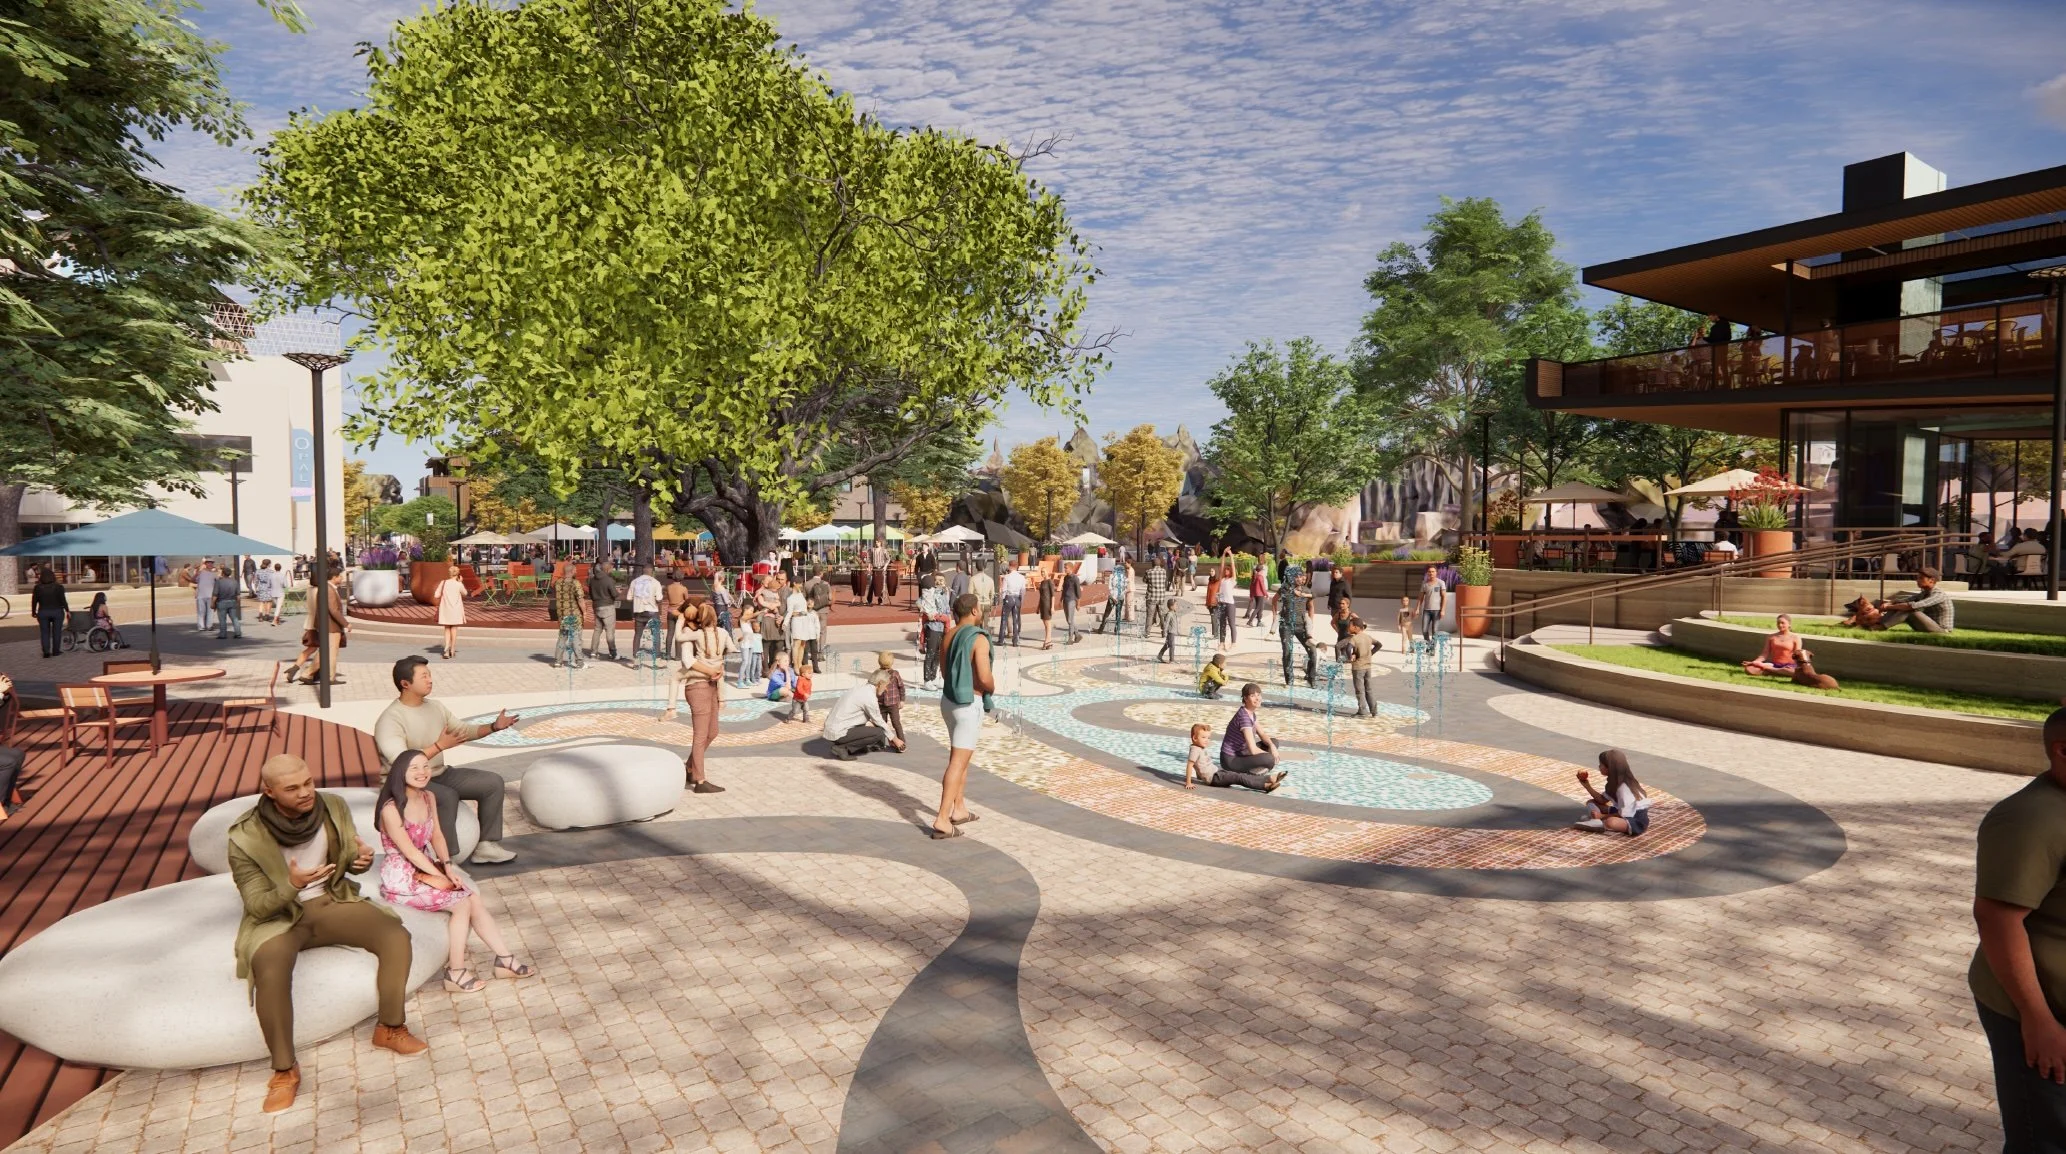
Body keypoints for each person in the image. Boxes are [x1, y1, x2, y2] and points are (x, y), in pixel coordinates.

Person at [231, 753, 424, 1113]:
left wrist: (358, 859)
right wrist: (290, 885)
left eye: (307, 782)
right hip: (281, 917)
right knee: (270, 969)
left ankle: (390, 1028)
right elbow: (257, 905)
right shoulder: (245, 836)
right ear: (269, 792)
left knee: (396, 936)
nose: (306, 792)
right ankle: (285, 1070)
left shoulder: (331, 806)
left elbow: (348, 854)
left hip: (329, 901)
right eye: (292, 788)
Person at [1971, 707, 2066, 1149]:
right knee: (2044, 1139)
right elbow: (1997, 919)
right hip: (2041, 1012)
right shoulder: (2032, 820)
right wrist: (2038, 1020)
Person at [374, 750, 535, 995]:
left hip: (427, 866)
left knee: (473, 898)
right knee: (461, 903)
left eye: (425, 766)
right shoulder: (390, 808)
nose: (422, 773)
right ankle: (455, 972)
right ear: (400, 773)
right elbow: (410, 852)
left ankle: (504, 959)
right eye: (414, 768)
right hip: (403, 876)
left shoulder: (428, 797)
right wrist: (441, 877)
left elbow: (437, 835)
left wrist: (447, 865)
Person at [371, 656, 519, 864]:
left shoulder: (436, 707)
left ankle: (486, 846)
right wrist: (439, 746)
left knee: (492, 783)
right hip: (406, 782)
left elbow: (463, 731)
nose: (430, 680)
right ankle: (447, 859)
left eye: (429, 675)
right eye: (424, 676)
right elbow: (402, 763)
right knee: (447, 796)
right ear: (405, 684)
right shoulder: (390, 719)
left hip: (438, 773)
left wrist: (494, 727)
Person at [931, 593, 993, 839]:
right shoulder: (978, 639)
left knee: (960, 757)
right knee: (958, 761)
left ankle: (959, 808)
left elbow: (945, 673)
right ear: (975, 611)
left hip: (949, 702)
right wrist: (992, 687)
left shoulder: (949, 635)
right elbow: (985, 677)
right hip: (969, 704)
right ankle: (943, 818)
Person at [665, 603, 729, 794]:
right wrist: (711, 670)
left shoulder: (705, 633)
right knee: (701, 735)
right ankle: (699, 780)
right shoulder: (688, 634)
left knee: (713, 732)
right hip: (697, 686)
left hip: (710, 684)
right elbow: (688, 661)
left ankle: (690, 767)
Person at [822, 672, 906, 761]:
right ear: (880, 683)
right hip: (839, 732)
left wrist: (890, 736)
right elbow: (878, 720)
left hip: (832, 728)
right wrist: (895, 739)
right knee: (879, 733)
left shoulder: (861, 688)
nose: (886, 689)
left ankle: (851, 747)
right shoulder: (869, 697)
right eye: (886, 685)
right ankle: (843, 748)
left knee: (874, 730)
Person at [1217, 684, 1286, 790]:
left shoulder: (1250, 714)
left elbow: (1262, 734)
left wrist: (1272, 746)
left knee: (1274, 742)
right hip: (1230, 760)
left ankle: (1256, 770)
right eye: (1253, 696)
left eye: (1259, 695)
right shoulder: (1244, 717)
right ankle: (1255, 774)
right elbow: (1253, 750)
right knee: (1269, 759)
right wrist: (1270, 755)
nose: (1257, 698)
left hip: (1242, 753)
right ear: (1245, 698)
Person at [1574, 748, 1650, 835]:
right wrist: (1587, 785)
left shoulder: (1623, 788)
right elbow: (1601, 800)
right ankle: (1596, 821)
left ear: (1609, 767)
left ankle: (1598, 822)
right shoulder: (1614, 782)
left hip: (1635, 819)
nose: (1599, 767)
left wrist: (1602, 816)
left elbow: (1624, 814)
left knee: (1611, 822)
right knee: (1591, 802)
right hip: (1621, 811)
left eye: (1601, 765)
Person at [1873, 566, 1955, 634]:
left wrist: (1888, 607)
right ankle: (1877, 623)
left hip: (1942, 630)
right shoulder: (1924, 593)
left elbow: (1911, 606)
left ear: (1932, 580)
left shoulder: (1938, 595)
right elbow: (1905, 600)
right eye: (1917, 578)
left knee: (1909, 609)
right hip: (1928, 626)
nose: (1917, 580)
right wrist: (1890, 603)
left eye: (1921, 578)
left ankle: (1882, 627)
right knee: (1900, 606)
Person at [1276, 569, 1318, 688]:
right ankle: (1289, 680)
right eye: (1297, 577)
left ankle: (1311, 677)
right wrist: (1275, 614)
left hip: (1301, 626)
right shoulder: (1284, 588)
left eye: (1302, 577)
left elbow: (1311, 607)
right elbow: (1274, 600)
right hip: (1286, 626)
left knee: (1313, 651)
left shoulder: (1306, 591)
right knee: (1288, 652)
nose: (1300, 579)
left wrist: (1310, 621)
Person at [1742, 613, 1806, 676]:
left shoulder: (1796, 637)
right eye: (1778, 623)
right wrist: (1754, 663)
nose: (1780, 625)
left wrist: (1799, 667)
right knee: (1748, 670)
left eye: (1782, 623)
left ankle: (1770, 670)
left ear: (1789, 624)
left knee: (1790, 671)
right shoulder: (1771, 637)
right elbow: (1764, 654)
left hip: (1789, 666)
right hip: (1774, 665)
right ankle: (1775, 671)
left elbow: (1798, 656)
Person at [917, 573, 952, 686]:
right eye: (937, 580)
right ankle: (927, 680)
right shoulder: (930, 593)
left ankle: (934, 677)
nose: (939, 583)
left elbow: (947, 609)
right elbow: (919, 602)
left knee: (938, 654)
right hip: (933, 627)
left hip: (942, 627)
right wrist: (925, 611)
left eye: (942, 580)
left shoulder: (945, 593)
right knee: (930, 653)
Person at [550, 562, 585, 669]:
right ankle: (579, 661)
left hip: (562, 614)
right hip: (573, 614)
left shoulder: (557, 583)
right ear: (572, 571)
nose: (577, 571)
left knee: (562, 637)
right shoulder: (575, 583)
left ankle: (557, 661)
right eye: (575, 570)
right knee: (575, 637)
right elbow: (580, 599)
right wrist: (585, 611)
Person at [627, 566, 662, 664]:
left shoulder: (634, 582)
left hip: (638, 610)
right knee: (656, 635)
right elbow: (659, 599)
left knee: (638, 634)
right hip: (652, 611)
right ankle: (657, 659)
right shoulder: (655, 582)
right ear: (652, 572)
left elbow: (629, 598)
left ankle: (636, 659)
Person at [786, 575, 820, 673]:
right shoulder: (790, 598)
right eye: (800, 583)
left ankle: (800, 664)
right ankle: (796, 665)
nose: (801, 585)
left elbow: (805, 609)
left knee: (803, 644)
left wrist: (810, 612)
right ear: (794, 584)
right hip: (797, 621)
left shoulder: (801, 594)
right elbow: (790, 612)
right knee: (796, 643)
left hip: (804, 621)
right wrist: (785, 623)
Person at [1346, 616, 1379, 718]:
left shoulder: (1354, 638)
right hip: (1368, 667)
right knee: (1369, 689)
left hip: (1358, 667)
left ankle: (1362, 711)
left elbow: (1348, 648)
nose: (1348, 628)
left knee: (1359, 690)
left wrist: (1350, 657)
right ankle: (1374, 711)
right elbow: (1379, 645)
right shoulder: (1368, 637)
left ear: (1356, 627)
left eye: (1350, 626)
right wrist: (1370, 654)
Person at [30, 567, 66, 659]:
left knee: (44, 633)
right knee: (57, 632)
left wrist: (33, 611)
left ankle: (46, 652)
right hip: (57, 611)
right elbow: (63, 600)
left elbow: (34, 601)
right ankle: (56, 651)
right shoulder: (59, 587)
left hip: (43, 611)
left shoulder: (37, 587)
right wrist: (67, 610)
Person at [875, 650, 908, 748]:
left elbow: (901, 687)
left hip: (893, 704)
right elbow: (874, 687)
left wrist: (902, 700)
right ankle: (880, 743)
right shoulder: (877, 673)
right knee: (881, 724)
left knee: (896, 723)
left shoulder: (895, 674)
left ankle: (901, 742)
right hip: (881, 704)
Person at [433, 567, 467, 660]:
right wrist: (460, 582)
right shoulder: (458, 584)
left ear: (450, 573)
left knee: (447, 628)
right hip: (455, 609)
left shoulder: (443, 583)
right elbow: (465, 593)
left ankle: (446, 650)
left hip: (445, 609)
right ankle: (452, 649)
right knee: (454, 629)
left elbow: (436, 595)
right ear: (458, 574)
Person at [805, 568, 834, 667]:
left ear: (812, 572)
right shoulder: (826, 584)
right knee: (822, 631)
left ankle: (812, 652)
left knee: (810, 631)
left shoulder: (807, 584)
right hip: (823, 610)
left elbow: (805, 598)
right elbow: (830, 598)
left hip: (811, 611)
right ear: (821, 573)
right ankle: (820, 653)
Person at [733, 595, 763, 687]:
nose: (751, 612)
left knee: (749, 662)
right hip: (745, 644)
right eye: (750, 610)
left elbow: (752, 618)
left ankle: (748, 679)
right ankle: (740, 681)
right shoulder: (742, 619)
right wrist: (760, 612)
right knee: (745, 662)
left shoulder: (748, 621)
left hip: (750, 643)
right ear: (746, 610)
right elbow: (751, 616)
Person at [1157, 591, 1193, 663]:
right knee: (1172, 646)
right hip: (1170, 632)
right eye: (1176, 605)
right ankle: (1171, 660)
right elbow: (1166, 624)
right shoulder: (1169, 614)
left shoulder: (1173, 613)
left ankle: (1160, 655)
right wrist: (1164, 632)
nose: (1177, 606)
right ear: (1171, 606)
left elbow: (1175, 623)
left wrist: (1178, 631)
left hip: (1173, 632)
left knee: (1167, 645)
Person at [1096, 559, 1129, 634]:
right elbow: (1125, 589)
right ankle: (1117, 630)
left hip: (1112, 598)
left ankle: (1101, 629)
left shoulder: (1112, 576)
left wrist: (1113, 597)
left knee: (1107, 613)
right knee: (1118, 613)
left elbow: (1110, 587)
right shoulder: (1125, 578)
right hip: (1120, 598)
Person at [1417, 566, 1447, 647]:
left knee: (1434, 631)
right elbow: (1421, 598)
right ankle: (1429, 644)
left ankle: (1432, 648)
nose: (1431, 573)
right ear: (1427, 573)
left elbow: (1444, 597)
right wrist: (1417, 609)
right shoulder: (1424, 583)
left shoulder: (1441, 583)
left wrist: (1443, 610)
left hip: (1437, 611)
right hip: (1426, 610)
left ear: (1436, 573)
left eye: (1433, 571)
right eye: (1429, 571)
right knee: (1424, 630)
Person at [998, 563, 1026, 647]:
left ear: (1010, 567)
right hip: (1017, 598)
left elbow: (1004, 590)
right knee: (1016, 619)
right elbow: (1023, 591)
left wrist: (1002, 599)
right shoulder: (1022, 577)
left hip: (1009, 597)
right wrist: (1022, 601)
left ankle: (1001, 640)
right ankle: (1015, 641)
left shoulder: (1007, 577)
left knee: (1004, 619)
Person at [214, 562, 244, 639]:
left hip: (221, 602)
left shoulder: (219, 582)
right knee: (234, 618)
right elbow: (238, 595)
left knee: (222, 619)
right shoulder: (234, 581)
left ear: (223, 573)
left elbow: (215, 594)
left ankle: (223, 634)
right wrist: (237, 603)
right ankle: (238, 633)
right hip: (232, 601)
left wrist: (212, 603)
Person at [969, 563, 997, 640]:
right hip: (987, 603)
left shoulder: (973, 579)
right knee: (986, 624)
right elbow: (992, 594)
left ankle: (977, 639)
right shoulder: (990, 579)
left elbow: (970, 594)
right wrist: (990, 603)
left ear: (976, 567)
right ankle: (986, 639)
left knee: (976, 623)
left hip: (977, 604)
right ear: (985, 567)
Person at [1246, 553, 1271, 631]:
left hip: (1256, 593)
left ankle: (1257, 621)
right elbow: (1262, 586)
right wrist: (1266, 594)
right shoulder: (1262, 572)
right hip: (1261, 592)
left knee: (1258, 606)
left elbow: (1252, 585)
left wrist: (1251, 594)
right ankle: (1253, 621)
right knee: (1259, 607)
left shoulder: (1255, 572)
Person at [1059, 561, 1081, 646]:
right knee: (1069, 620)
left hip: (1072, 600)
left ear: (1071, 569)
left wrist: (1078, 604)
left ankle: (1070, 638)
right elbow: (1064, 590)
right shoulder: (1066, 578)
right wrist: (1060, 600)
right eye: (1064, 568)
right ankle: (1078, 635)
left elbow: (1078, 592)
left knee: (1070, 620)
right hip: (1066, 599)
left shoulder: (1075, 578)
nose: (1065, 569)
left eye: (1066, 568)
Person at [1034, 565, 1056, 649]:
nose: (1042, 573)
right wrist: (1038, 607)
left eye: (1043, 571)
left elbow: (1053, 595)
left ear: (1047, 572)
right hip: (1042, 604)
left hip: (1048, 605)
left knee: (1048, 623)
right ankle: (1049, 641)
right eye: (1041, 572)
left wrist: (1052, 607)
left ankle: (1047, 641)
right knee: (1045, 624)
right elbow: (1041, 596)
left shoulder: (1050, 581)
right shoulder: (1042, 582)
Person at [194, 559, 217, 633]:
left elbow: (218, 583)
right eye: (208, 563)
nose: (210, 565)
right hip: (201, 595)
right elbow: (194, 580)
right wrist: (197, 572)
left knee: (210, 612)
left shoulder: (214, 574)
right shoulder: (201, 572)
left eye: (211, 563)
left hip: (210, 595)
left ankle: (209, 626)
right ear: (205, 564)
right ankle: (201, 626)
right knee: (201, 612)